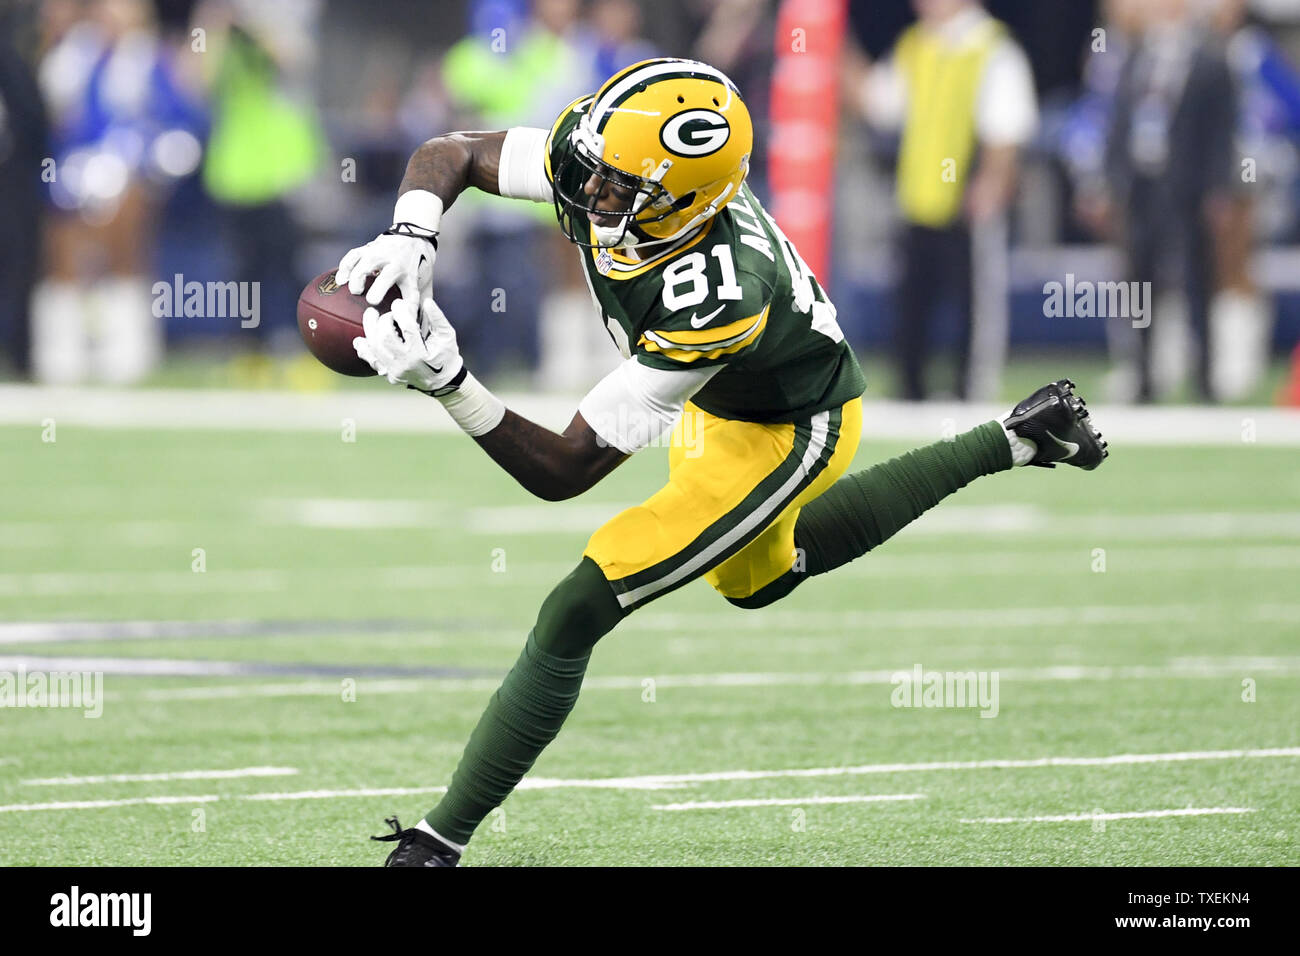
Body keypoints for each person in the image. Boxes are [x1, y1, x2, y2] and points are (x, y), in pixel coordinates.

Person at [335, 58, 1108, 867]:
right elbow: (451, 151)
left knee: (578, 608)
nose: (586, 190)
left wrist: (453, 386)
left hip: (787, 424)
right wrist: (411, 233)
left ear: (685, 206)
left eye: (616, 186)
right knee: (757, 578)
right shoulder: (616, 154)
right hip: (713, 394)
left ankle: (436, 840)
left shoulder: (722, 292)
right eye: (593, 166)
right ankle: (1024, 435)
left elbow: (564, 470)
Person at [847, 0, 1038, 401]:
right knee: (912, 303)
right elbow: (877, 104)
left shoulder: (993, 47)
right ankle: (910, 390)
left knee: (974, 303)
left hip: (966, 200)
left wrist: (991, 182)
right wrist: (832, 47)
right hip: (918, 198)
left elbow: (1007, 125)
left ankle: (972, 389)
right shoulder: (915, 45)